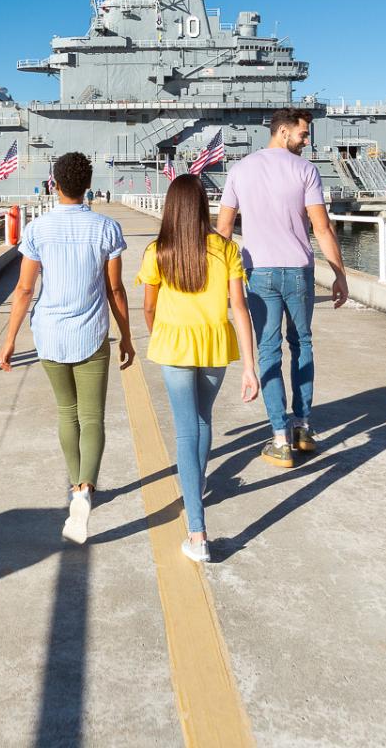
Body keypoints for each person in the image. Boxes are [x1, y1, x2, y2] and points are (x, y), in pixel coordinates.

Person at [0, 152, 132, 544]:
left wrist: (9, 341)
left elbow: (24, 289)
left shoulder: (38, 229)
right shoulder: (107, 228)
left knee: (66, 413)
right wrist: (126, 335)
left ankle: (76, 487)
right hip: (91, 334)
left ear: (54, 184)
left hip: (50, 335)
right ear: (88, 184)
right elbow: (115, 290)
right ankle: (87, 489)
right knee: (92, 418)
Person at [214, 108, 350, 470]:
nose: (307, 141)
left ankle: (279, 438)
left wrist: (215, 277)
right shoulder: (305, 170)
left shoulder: (240, 170)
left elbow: (224, 228)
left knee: (269, 351)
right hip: (299, 270)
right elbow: (322, 228)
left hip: (258, 272)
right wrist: (340, 274)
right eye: (303, 134)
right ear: (284, 131)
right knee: (302, 344)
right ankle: (303, 428)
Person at [136, 174, 259, 564]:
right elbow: (239, 308)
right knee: (203, 421)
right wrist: (249, 367)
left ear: (171, 207)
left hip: (174, 344)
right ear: (203, 206)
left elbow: (150, 307)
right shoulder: (226, 249)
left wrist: (159, 334)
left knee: (185, 431)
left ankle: (197, 531)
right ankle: (197, 482)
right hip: (214, 343)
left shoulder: (158, 250)